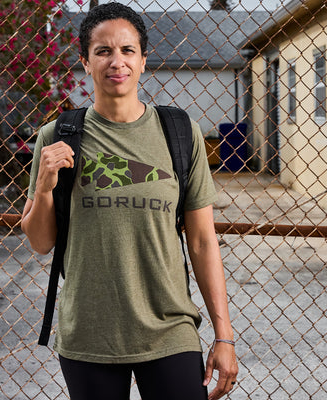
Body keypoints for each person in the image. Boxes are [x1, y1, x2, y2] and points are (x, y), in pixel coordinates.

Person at [21, 3, 238, 400]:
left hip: (170, 330)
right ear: (86, 62)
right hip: (89, 333)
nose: (115, 61)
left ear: (142, 60)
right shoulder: (58, 135)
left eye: (127, 50)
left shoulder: (180, 131)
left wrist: (224, 337)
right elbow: (40, 242)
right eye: (102, 51)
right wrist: (45, 187)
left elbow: (204, 242)